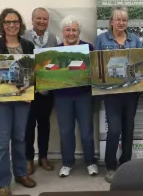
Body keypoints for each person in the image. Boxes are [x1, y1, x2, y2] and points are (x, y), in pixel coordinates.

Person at [0, 8, 36, 196]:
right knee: (2, 141)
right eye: (8, 22)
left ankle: (21, 173)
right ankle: (3, 183)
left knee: (20, 138)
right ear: (2, 24)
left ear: (20, 25)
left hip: (22, 99)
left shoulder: (28, 45)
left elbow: (34, 72)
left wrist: (30, 91)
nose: (12, 25)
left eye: (15, 22)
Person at [95, 6, 143, 183]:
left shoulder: (135, 40)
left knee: (129, 128)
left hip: (131, 92)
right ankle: (110, 166)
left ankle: (126, 164)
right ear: (111, 22)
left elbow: (139, 66)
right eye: (118, 19)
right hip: (111, 93)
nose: (121, 23)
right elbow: (97, 66)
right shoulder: (101, 39)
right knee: (114, 129)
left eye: (124, 20)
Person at [53, 15, 98, 178]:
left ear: (78, 31)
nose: (71, 33)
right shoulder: (55, 50)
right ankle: (67, 163)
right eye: (67, 30)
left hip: (84, 95)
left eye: (74, 30)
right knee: (65, 131)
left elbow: (93, 71)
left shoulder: (88, 47)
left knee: (86, 131)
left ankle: (90, 162)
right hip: (62, 96)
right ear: (62, 32)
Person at [23, 7, 61, 175]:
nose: (41, 21)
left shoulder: (54, 39)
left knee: (44, 125)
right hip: (28, 91)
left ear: (48, 22)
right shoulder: (23, 38)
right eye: (38, 18)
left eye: (44, 19)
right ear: (32, 20)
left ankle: (43, 157)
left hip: (47, 90)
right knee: (28, 127)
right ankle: (28, 159)